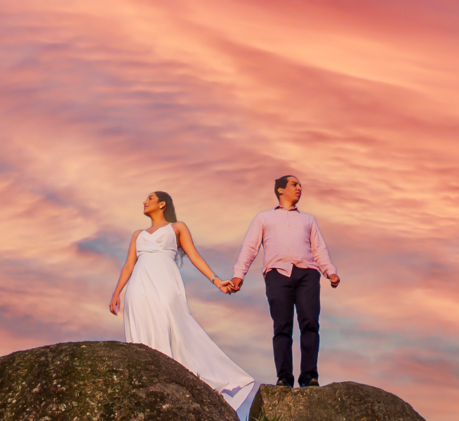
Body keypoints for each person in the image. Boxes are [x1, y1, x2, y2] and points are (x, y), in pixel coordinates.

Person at [110, 190, 259, 420]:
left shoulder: (177, 228)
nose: (144, 201)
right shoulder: (137, 235)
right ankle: (147, 382)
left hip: (166, 281)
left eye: (149, 198)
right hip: (138, 287)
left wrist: (217, 281)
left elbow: (195, 256)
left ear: (162, 204)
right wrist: (117, 293)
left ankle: (174, 380)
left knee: (172, 324)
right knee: (143, 332)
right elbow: (129, 266)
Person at [226, 175, 339, 389]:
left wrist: (330, 271)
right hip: (277, 274)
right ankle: (284, 378)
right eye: (294, 184)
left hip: (308, 274)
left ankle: (309, 377)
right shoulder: (264, 218)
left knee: (310, 324)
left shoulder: (308, 220)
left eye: (300, 185)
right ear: (280, 190)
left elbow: (319, 249)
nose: (299, 188)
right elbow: (250, 247)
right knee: (282, 327)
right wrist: (239, 275)